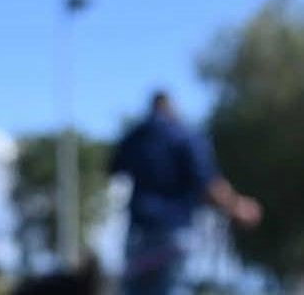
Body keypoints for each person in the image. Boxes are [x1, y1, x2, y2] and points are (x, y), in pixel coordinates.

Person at [109, 90, 261, 295]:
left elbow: (113, 168)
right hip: (174, 234)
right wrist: (236, 205)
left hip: (138, 232)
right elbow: (207, 184)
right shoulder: (185, 137)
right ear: (171, 108)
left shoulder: (135, 137)